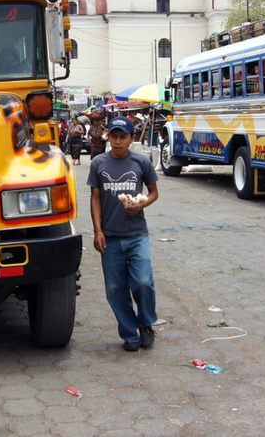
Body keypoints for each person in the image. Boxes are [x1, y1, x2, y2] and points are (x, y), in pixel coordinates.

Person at [88, 116, 160, 352]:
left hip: (137, 234)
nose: (117, 142)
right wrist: (98, 230)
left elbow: (153, 193)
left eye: (123, 137)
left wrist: (141, 204)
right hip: (110, 236)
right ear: (108, 137)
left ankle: (146, 323)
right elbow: (95, 198)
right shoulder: (99, 163)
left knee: (142, 282)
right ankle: (129, 334)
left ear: (131, 139)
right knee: (115, 289)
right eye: (114, 136)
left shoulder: (141, 162)